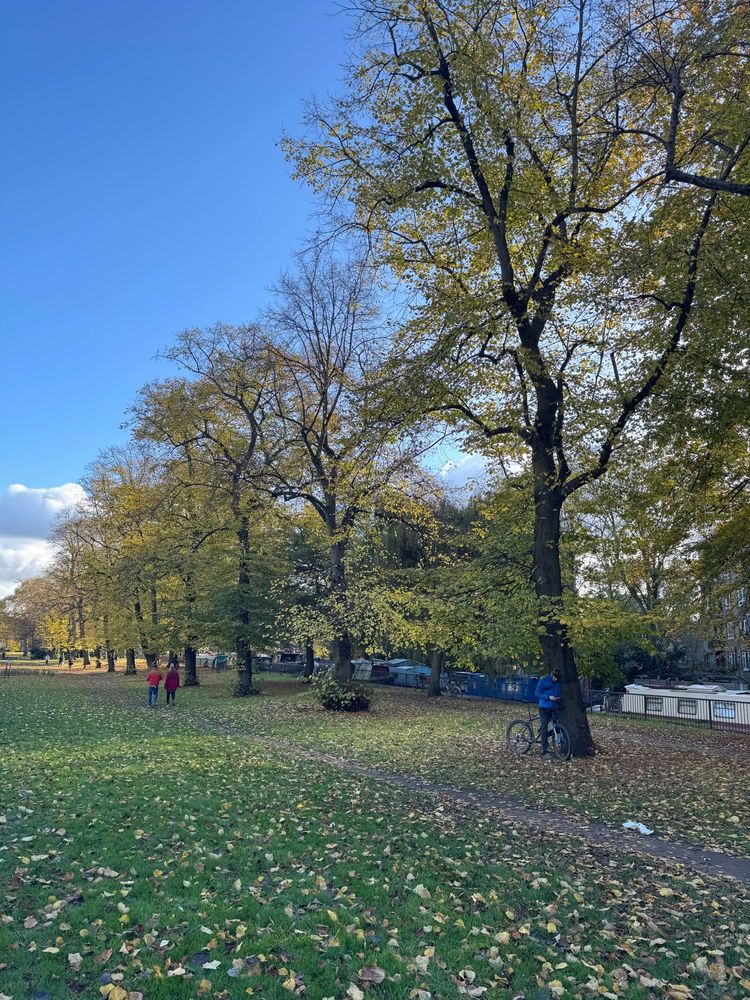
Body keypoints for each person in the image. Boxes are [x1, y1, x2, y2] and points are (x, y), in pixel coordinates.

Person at [535, 669, 562, 759]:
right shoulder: (543, 681)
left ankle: (544, 736)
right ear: (551, 675)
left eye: (557, 678)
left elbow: (558, 693)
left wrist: (558, 698)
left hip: (554, 708)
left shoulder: (558, 683)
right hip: (544, 707)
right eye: (554, 677)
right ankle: (544, 751)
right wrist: (547, 697)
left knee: (557, 727)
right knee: (544, 727)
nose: (555, 679)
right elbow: (537, 693)